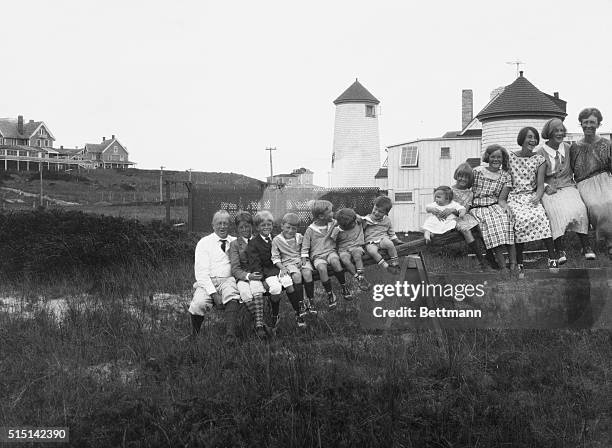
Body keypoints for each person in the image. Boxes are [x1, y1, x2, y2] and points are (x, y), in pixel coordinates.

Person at [536, 118, 595, 263]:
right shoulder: (540, 153)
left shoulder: (569, 148)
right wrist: (545, 187)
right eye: (556, 130)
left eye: (562, 130)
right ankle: (559, 248)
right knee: (554, 211)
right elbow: (536, 176)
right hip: (549, 189)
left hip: (568, 185)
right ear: (549, 133)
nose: (560, 133)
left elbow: (579, 167)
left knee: (580, 208)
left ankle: (586, 246)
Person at [507, 127, 557, 272]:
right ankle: (519, 262)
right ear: (522, 139)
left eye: (535, 137)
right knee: (519, 220)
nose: (532, 140)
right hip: (514, 197)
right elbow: (506, 181)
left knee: (541, 216)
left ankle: (552, 257)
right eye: (529, 137)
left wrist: (538, 196)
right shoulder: (510, 158)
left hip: (531, 195)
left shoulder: (539, 160)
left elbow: (540, 184)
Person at [188, 210, 241, 343]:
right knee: (198, 304)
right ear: (213, 225)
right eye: (219, 223)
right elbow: (201, 273)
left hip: (228, 280)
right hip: (207, 281)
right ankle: (195, 334)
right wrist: (214, 294)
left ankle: (230, 336)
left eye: (225, 223)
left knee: (232, 294)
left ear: (230, 225)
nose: (222, 226)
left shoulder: (235, 242)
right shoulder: (204, 242)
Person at [247, 211, 304, 330]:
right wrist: (262, 280)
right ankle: (275, 315)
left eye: (269, 224)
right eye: (263, 225)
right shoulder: (253, 243)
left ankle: (298, 313)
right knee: (276, 288)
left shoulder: (277, 238)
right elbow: (255, 264)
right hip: (267, 272)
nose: (266, 227)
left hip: (280, 268)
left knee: (288, 283)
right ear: (257, 227)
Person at [569, 107, 612, 259]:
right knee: (596, 205)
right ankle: (607, 241)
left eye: (592, 122)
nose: (589, 125)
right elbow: (571, 170)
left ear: (599, 124)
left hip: (605, 178)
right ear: (580, 123)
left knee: (610, 201)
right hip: (584, 183)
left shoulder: (607, 144)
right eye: (585, 122)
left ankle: (610, 242)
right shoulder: (574, 147)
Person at [469, 144, 517, 276]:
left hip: (494, 205)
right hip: (478, 207)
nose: (496, 160)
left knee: (507, 220)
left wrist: (506, 208)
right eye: (493, 156)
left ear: (503, 159)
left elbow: (501, 199)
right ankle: (502, 266)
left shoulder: (505, 176)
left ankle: (514, 264)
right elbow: (466, 190)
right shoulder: (477, 171)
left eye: (499, 157)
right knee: (492, 226)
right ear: (487, 157)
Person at [301, 200, 351, 310]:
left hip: (330, 252)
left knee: (335, 261)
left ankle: (344, 287)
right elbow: (305, 247)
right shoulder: (310, 230)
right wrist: (304, 261)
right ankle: (330, 294)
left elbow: (347, 219)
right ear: (321, 216)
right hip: (317, 256)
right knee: (321, 268)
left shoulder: (333, 223)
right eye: (330, 212)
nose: (332, 214)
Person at [228, 211, 267, 339]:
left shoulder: (258, 240)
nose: (245, 229)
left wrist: (261, 276)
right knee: (245, 292)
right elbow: (235, 268)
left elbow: (266, 260)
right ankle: (260, 323)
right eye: (241, 227)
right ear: (237, 229)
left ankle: (259, 327)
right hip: (243, 277)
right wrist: (248, 276)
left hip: (258, 275)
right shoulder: (235, 244)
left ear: (252, 226)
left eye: (247, 226)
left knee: (256, 289)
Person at [271, 212, 317, 320]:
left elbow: (305, 249)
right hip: (288, 263)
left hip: (300, 260)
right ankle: (301, 304)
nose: (290, 231)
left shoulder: (299, 237)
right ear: (282, 226)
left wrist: (303, 258)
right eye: (288, 227)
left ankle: (311, 301)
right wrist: (282, 267)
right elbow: (275, 257)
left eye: (294, 229)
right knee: (296, 276)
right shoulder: (277, 240)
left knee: (307, 273)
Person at [451, 163, 489, 270]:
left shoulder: (470, 193)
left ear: (469, 179)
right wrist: (458, 213)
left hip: (465, 215)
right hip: (452, 217)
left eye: (466, 177)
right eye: (460, 176)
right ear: (456, 176)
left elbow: (467, 207)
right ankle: (481, 260)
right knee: (466, 230)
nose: (462, 179)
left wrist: (464, 212)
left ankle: (489, 255)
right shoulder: (450, 191)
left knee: (480, 227)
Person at [332, 208, 371, 291]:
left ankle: (361, 275)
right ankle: (358, 278)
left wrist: (358, 217)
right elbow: (332, 242)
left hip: (356, 246)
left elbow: (368, 221)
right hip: (343, 249)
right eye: (350, 226)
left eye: (353, 223)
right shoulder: (337, 230)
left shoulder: (358, 221)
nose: (353, 225)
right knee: (345, 260)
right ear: (342, 225)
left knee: (357, 255)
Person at [362, 195, 402, 274]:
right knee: (372, 251)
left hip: (382, 239)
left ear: (386, 213)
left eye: (380, 212)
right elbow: (361, 231)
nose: (376, 213)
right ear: (373, 206)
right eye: (375, 209)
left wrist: (396, 240)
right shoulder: (367, 219)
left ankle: (395, 263)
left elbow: (391, 232)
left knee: (389, 244)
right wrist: (364, 224)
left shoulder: (387, 220)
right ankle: (386, 266)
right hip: (370, 242)